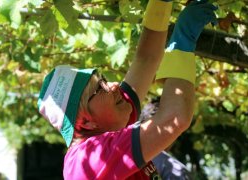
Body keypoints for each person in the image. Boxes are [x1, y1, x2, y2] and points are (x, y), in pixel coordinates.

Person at [37, 0, 217, 179]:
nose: (114, 85)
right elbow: (174, 119)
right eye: (100, 89)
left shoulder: (111, 121)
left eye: (104, 81)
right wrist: (182, 43)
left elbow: (147, 58)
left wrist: (161, 3)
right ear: (86, 123)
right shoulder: (88, 158)